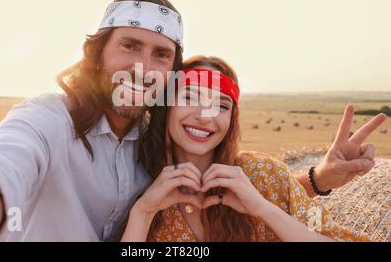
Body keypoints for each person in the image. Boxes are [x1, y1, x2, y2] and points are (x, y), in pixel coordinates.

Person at [0, 0, 386, 241]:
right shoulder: (49, 122)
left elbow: (251, 188)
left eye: (159, 54)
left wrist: (315, 180)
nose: (141, 67)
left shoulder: (160, 154)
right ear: (96, 56)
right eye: (128, 46)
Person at [121, 56, 386, 242]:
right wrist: (142, 212)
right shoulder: (141, 187)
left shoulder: (262, 173)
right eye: (190, 98)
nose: (205, 116)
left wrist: (263, 208)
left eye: (222, 105)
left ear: (232, 119)